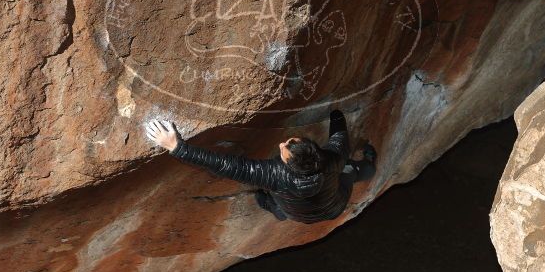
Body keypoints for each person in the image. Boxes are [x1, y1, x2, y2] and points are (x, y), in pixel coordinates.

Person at [144, 110, 376, 223]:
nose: (281, 143)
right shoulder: (332, 157)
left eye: (284, 147)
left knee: (271, 200)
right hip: (334, 205)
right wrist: (336, 115)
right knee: (350, 172)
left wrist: (177, 147)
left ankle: (275, 209)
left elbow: (224, 165)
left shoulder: (272, 176)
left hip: (297, 214)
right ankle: (369, 165)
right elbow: (340, 137)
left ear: (287, 163)